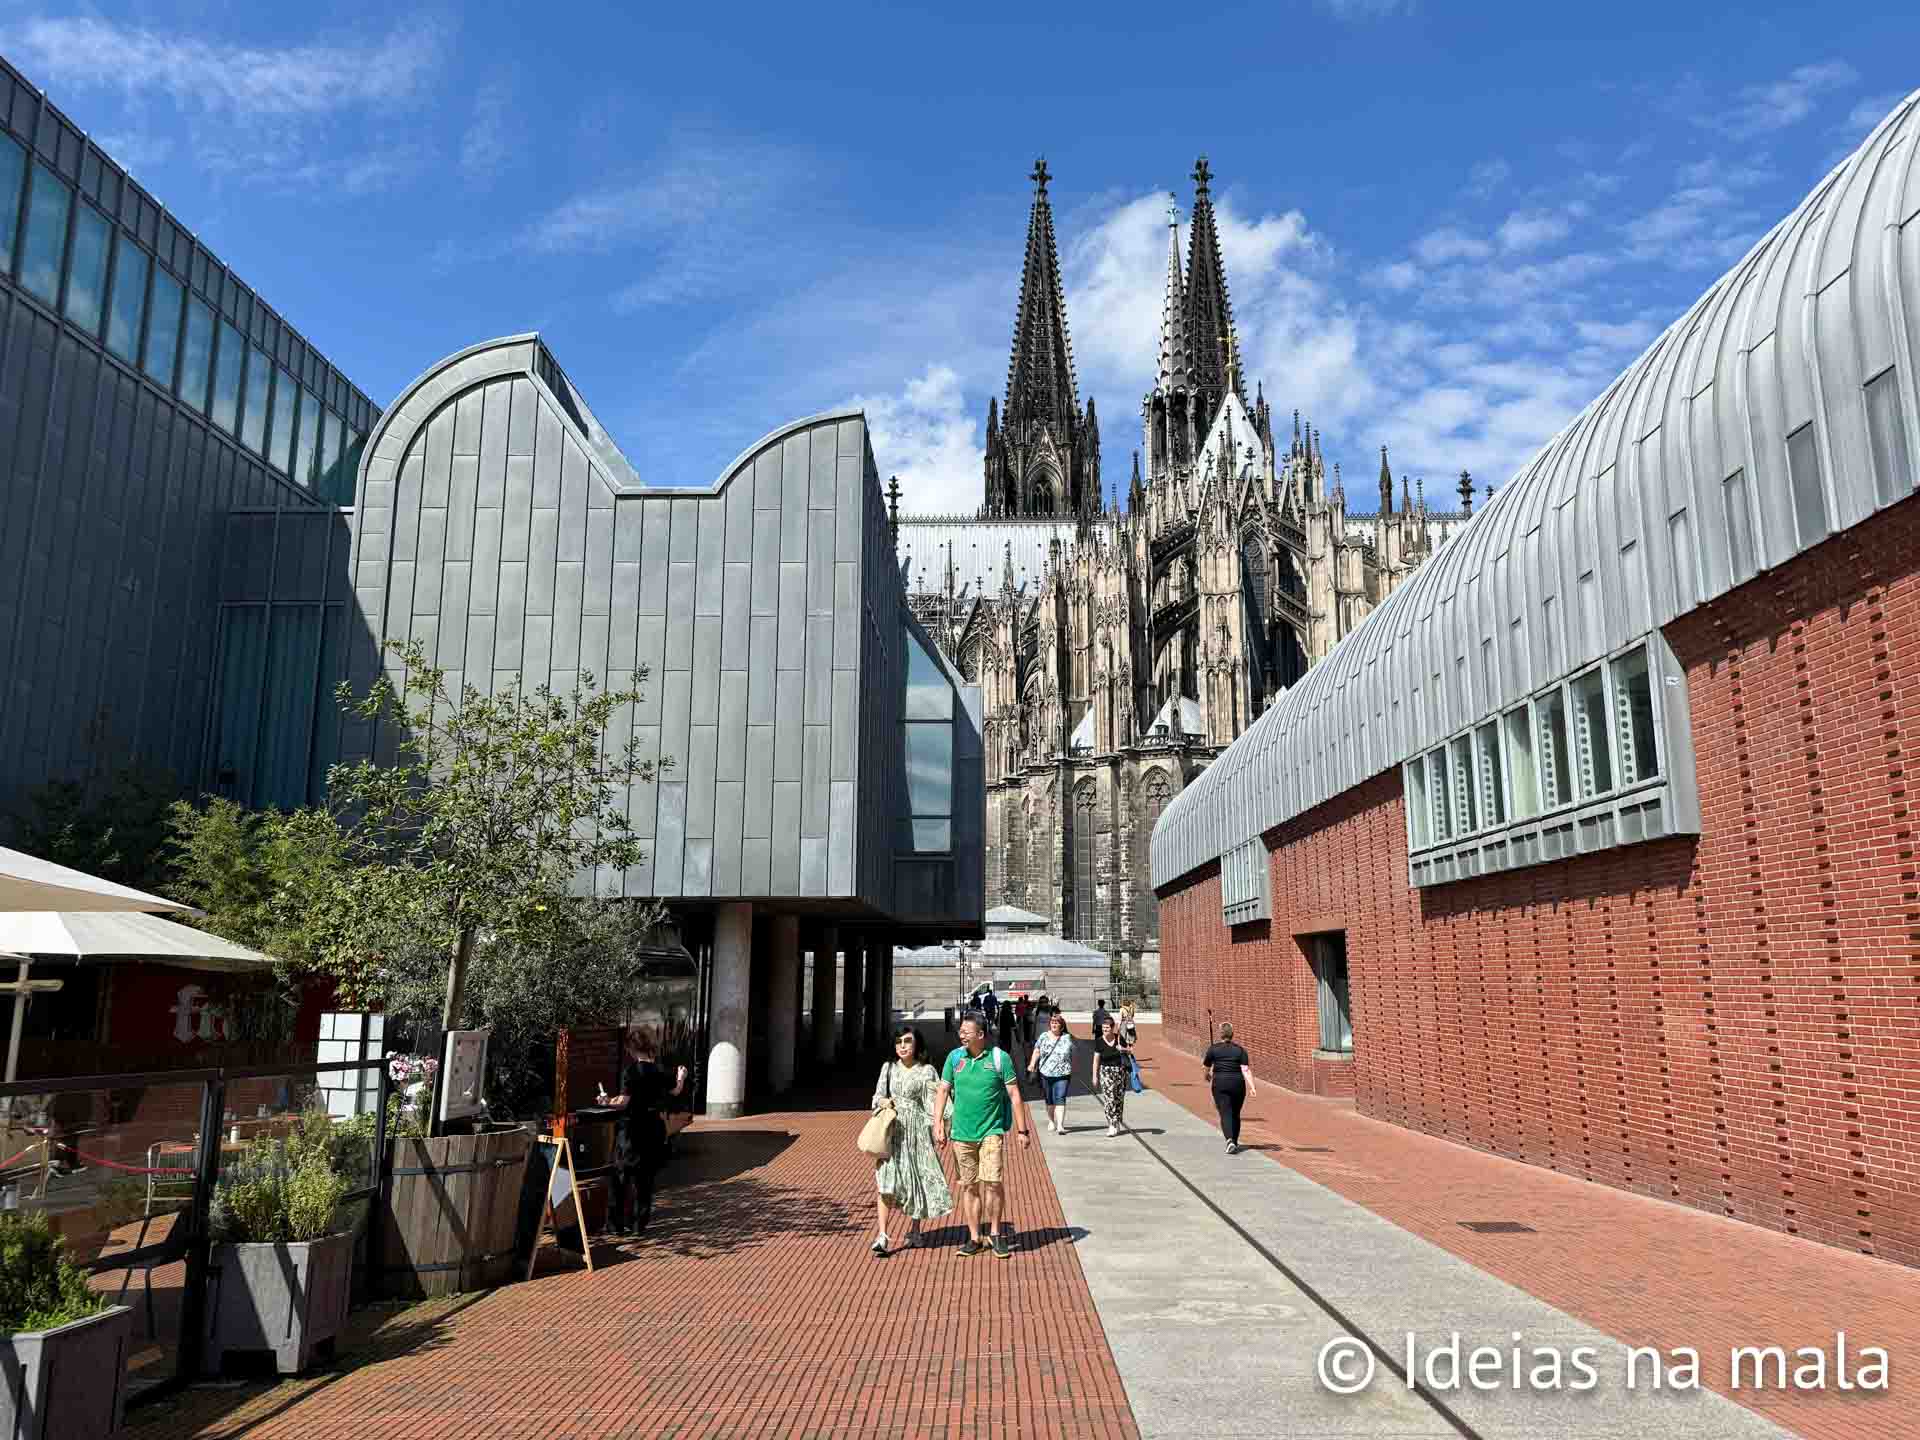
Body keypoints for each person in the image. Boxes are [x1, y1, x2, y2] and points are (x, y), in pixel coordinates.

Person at [934, 1012, 1032, 1258]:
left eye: (966, 1031)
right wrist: (937, 1124)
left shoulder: (1000, 1059)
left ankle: (996, 1233)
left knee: (993, 1182)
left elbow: (1014, 1095)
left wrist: (1022, 1130)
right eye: (961, 1031)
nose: (961, 1034)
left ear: (980, 1034)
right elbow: (943, 1090)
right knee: (969, 1186)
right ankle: (975, 1237)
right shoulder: (954, 1058)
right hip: (961, 1134)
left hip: (992, 1131)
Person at [869, 1026, 952, 1256]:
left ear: (916, 1044)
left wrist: (941, 1128)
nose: (903, 1046)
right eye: (898, 1042)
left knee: (916, 1178)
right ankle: (883, 1235)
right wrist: (883, 1103)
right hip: (892, 1130)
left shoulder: (927, 1071)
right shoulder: (888, 1069)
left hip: (916, 1133)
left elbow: (935, 1102)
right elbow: (876, 1097)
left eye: (907, 1041)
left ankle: (915, 1230)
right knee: (885, 1181)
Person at [599, 1029, 688, 1233]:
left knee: (620, 1176)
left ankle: (616, 1225)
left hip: (631, 1130)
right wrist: (681, 1076)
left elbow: (623, 1102)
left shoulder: (630, 1072)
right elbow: (675, 1090)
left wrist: (606, 1102)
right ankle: (639, 1225)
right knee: (645, 1180)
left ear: (631, 1049)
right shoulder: (659, 1071)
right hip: (653, 1129)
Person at [1201, 1021, 1258, 1154]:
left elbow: (1206, 1066)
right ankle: (1235, 1142)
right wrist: (1252, 1086)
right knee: (1236, 1114)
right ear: (1232, 1034)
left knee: (1225, 1112)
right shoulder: (1240, 1050)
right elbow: (1245, 1070)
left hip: (1220, 1083)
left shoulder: (1213, 1049)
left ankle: (1229, 1141)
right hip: (1237, 1084)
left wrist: (1206, 1076)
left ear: (1220, 1034)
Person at [1026, 1011, 1075, 1133]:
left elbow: (1073, 1053)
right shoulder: (1043, 1036)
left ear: (1061, 1026)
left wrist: (1074, 1066)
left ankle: (1060, 1125)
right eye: (1052, 1022)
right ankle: (1051, 1121)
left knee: (1060, 1098)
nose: (1054, 1024)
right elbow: (1037, 1050)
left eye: (1056, 1022)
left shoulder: (1067, 1038)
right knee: (1049, 1099)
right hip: (1046, 1072)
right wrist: (1032, 1064)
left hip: (1063, 1073)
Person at [1092, 1016, 1130, 1137]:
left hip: (1120, 1071)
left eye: (1107, 1028)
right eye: (1103, 1028)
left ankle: (1117, 1120)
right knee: (1109, 1099)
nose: (1105, 1030)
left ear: (1112, 1028)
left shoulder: (1119, 1038)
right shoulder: (1099, 1041)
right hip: (1105, 1072)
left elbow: (1130, 1050)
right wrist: (1095, 1076)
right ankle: (1111, 1124)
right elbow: (1096, 1060)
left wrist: (1122, 1048)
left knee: (1119, 1099)